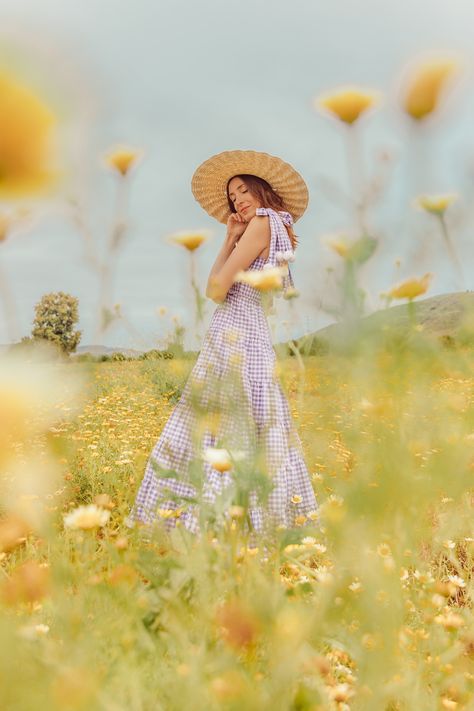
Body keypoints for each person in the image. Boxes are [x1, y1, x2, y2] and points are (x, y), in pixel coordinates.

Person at [126, 149, 320, 538]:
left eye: (245, 190)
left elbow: (215, 288)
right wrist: (230, 235)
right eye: (233, 197)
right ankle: (258, 521)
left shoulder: (263, 222)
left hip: (235, 333)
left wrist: (230, 242)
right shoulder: (276, 226)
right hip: (254, 333)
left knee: (216, 424)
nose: (240, 200)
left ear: (263, 191)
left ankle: (211, 525)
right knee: (257, 425)